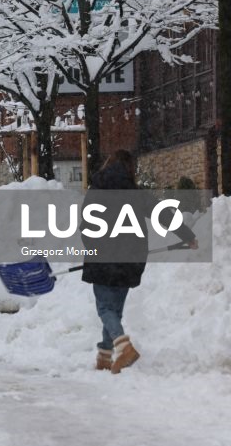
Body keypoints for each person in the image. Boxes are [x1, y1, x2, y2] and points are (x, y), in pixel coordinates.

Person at [81, 149, 198, 374]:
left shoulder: (96, 191)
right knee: (114, 309)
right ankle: (105, 357)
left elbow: (86, 227)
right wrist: (188, 236)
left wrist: (93, 248)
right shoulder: (135, 192)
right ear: (129, 169)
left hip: (104, 258)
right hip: (130, 260)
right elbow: (162, 214)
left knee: (105, 307)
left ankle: (123, 348)